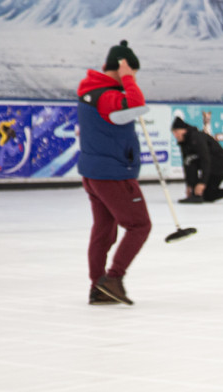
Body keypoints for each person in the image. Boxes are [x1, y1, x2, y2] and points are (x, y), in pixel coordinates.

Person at [76, 40, 151, 306]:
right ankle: (112, 279)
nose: (134, 78)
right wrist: (128, 77)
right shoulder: (106, 95)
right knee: (139, 225)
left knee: (104, 230)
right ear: (120, 67)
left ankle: (98, 287)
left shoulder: (90, 91)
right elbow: (135, 101)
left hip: (94, 173)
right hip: (112, 174)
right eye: (133, 71)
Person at [171, 116, 223, 204]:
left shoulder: (196, 137)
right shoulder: (183, 142)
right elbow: (186, 163)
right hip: (209, 164)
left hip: (219, 164)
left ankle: (196, 195)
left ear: (184, 130)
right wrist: (189, 185)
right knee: (208, 196)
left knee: (192, 163)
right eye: (173, 133)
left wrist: (202, 183)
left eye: (176, 132)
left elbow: (205, 159)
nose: (175, 135)